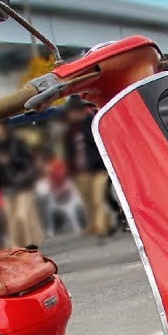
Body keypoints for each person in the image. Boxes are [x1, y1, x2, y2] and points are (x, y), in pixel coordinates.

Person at [0, 122, 43, 248]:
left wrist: (10, 160)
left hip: (23, 184)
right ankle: (18, 247)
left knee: (24, 215)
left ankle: (31, 244)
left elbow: (28, 162)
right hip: (7, 186)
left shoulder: (17, 142)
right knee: (11, 220)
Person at [62, 98, 112, 237]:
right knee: (88, 200)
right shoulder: (70, 131)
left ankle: (101, 227)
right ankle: (101, 223)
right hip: (80, 171)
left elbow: (98, 142)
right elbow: (68, 152)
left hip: (98, 168)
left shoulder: (92, 124)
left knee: (98, 197)